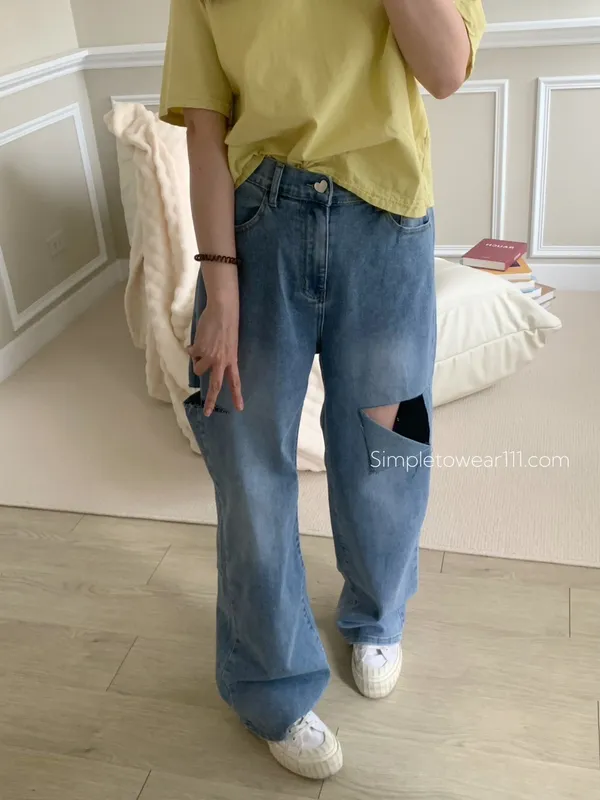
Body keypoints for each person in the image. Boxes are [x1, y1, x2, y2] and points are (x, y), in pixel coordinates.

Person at [160, 0, 485, 780]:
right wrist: (220, 284)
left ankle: (377, 614)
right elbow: (205, 126)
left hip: (387, 220)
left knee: (388, 449)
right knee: (246, 463)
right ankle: (271, 686)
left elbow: (446, 70)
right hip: (255, 226)